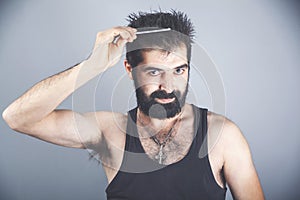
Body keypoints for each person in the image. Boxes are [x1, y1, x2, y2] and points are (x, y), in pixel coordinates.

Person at [2, 10, 264, 200]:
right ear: (129, 69)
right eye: (153, 72)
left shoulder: (223, 136)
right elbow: (17, 118)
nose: (168, 86)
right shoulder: (109, 131)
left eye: (179, 70)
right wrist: (90, 67)